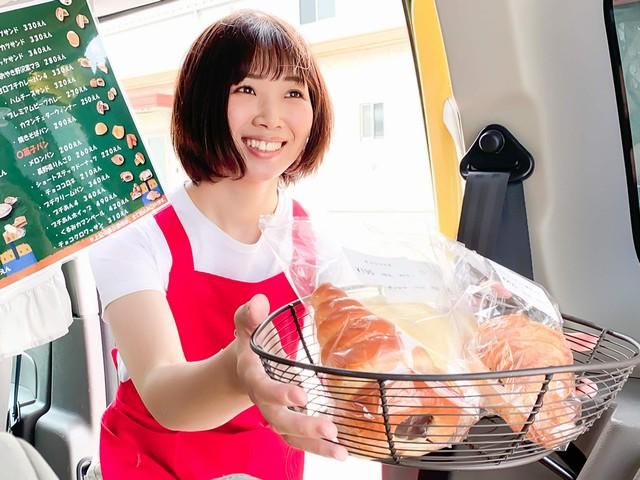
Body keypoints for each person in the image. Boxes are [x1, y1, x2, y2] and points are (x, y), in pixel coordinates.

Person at [89, 10, 348, 480]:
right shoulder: (137, 237)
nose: (271, 117)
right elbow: (164, 391)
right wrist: (237, 372)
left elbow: (353, 367)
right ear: (203, 100)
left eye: (293, 93)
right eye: (245, 89)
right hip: (152, 466)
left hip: (268, 467)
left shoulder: (315, 243)